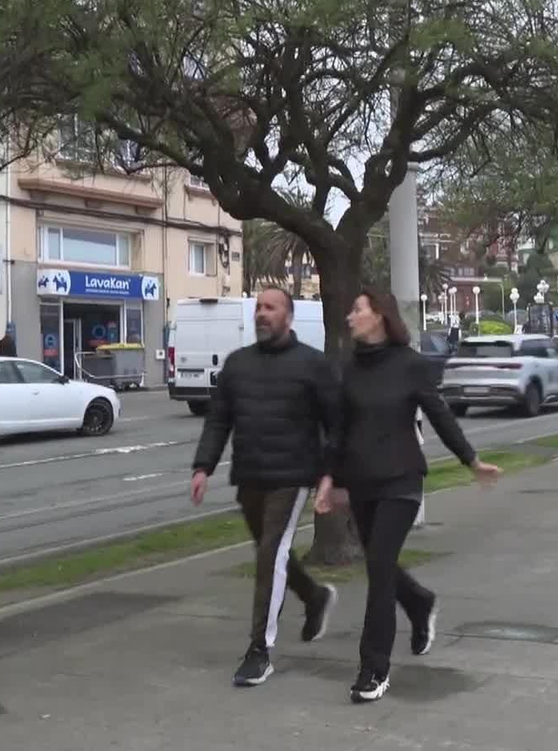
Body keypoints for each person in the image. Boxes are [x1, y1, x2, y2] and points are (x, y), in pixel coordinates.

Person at [316, 289, 500, 704]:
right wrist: (327, 478)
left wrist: (471, 460)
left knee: (379, 568)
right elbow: (338, 431)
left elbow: (439, 413)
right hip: (362, 483)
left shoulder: (410, 365)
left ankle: (373, 668)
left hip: (401, 481)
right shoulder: (347, 369)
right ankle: (419, 604)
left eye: (357, 309)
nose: (350, 316)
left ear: (379, 315)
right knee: (380, 565)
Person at [190, 288, 341, 688]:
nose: (261, 313)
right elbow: (218, 421)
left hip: (293, 477)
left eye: (270, 308)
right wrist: (202, 467)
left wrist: (329, 474)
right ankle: (314, 597)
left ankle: (260, 650)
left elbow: (336, 424)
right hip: (250, 475)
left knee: (270, 555)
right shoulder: (238, 365)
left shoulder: (312, 364)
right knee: (270, 554)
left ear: (288, 317)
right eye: (258, 307)